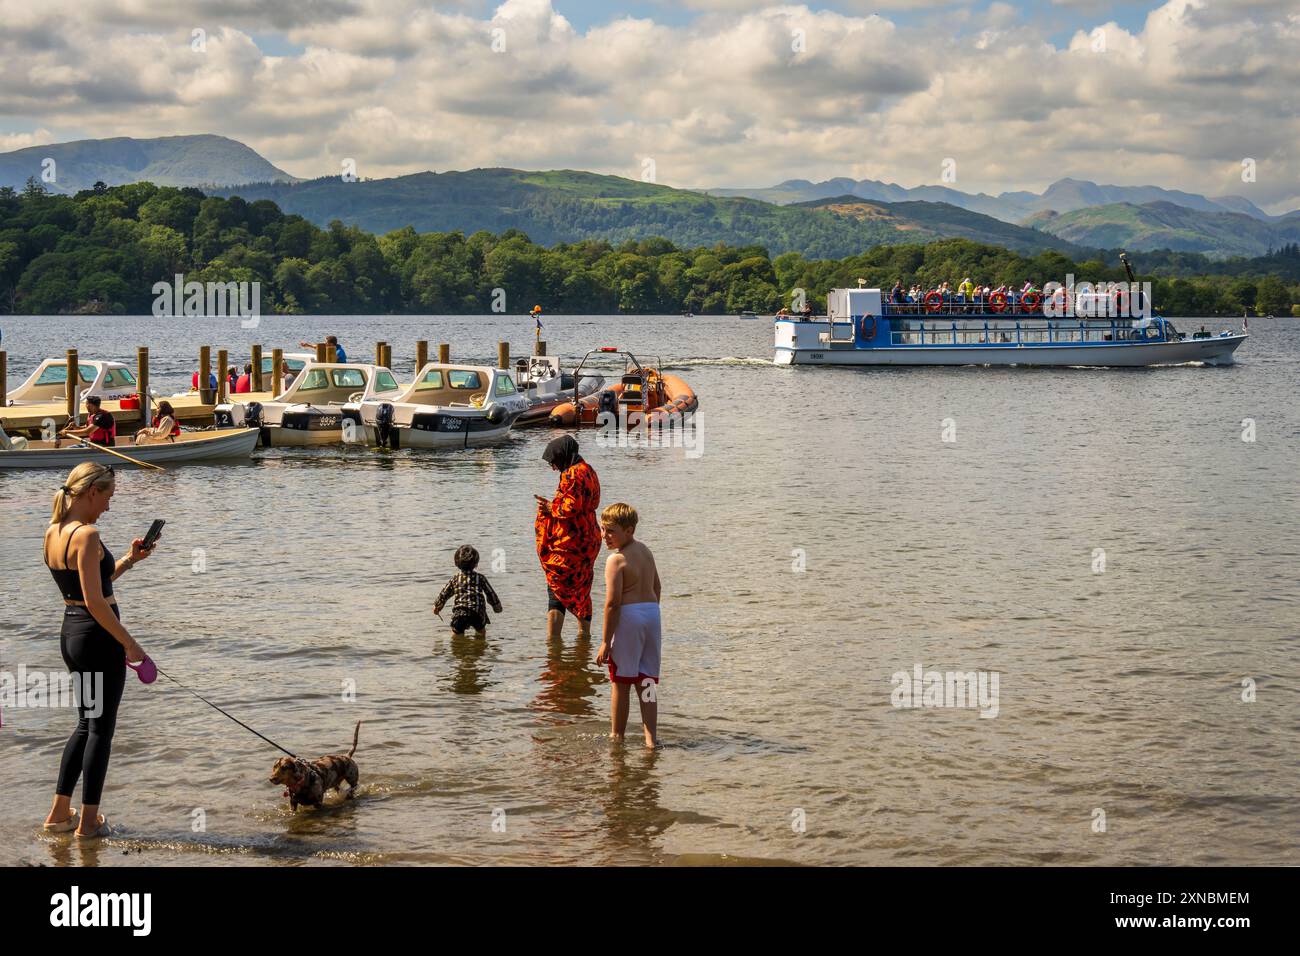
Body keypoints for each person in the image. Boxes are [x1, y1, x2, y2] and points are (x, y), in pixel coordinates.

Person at [41, 462, 156, 838]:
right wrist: (130, 643)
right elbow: (96, 601)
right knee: (101, 732)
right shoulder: (88, 534)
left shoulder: (54, 532)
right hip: (98, 639)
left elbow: (87, 587)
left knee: (84, 724)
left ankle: (59, 814)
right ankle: (88, 823)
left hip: (73, 637)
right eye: (108, 496)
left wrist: (128, 560)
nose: (108, 506)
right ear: (92, 492)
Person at [594, 503, 661, 748]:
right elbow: (657, 587)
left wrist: (604, 642)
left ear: (629, 530)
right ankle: (651, 740)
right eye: (602, 530)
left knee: (621, 682)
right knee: (647, 682)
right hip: (652, 614)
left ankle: (617, 736)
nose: (604, 536)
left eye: (610, 531)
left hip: (629, 617)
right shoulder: (645, 551)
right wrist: (650, 614)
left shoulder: (616, 560)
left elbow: (612, 604)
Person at [535, 435, 602, 641]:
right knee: (581, 588)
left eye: (553, 462)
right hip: (589, 537)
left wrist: (549, 507)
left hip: (570, 543)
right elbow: (588, 502)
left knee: (557, 587)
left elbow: (569, 507)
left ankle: (553, 644)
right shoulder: (589, 470)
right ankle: (584, 639)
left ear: (562, 456)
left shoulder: (571, 474)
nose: (553, 468)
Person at [433, 545, 502, 637]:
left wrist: (437, 606)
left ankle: (457, 648)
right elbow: (490, 593)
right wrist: (496, 607)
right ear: (476, 564)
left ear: (456, 563)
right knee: (481, 631)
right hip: (477, 612)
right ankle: (480, 648)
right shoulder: (480, 578)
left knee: (456, 633)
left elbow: (445, 594)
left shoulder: (455, 579)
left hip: (460, 613)